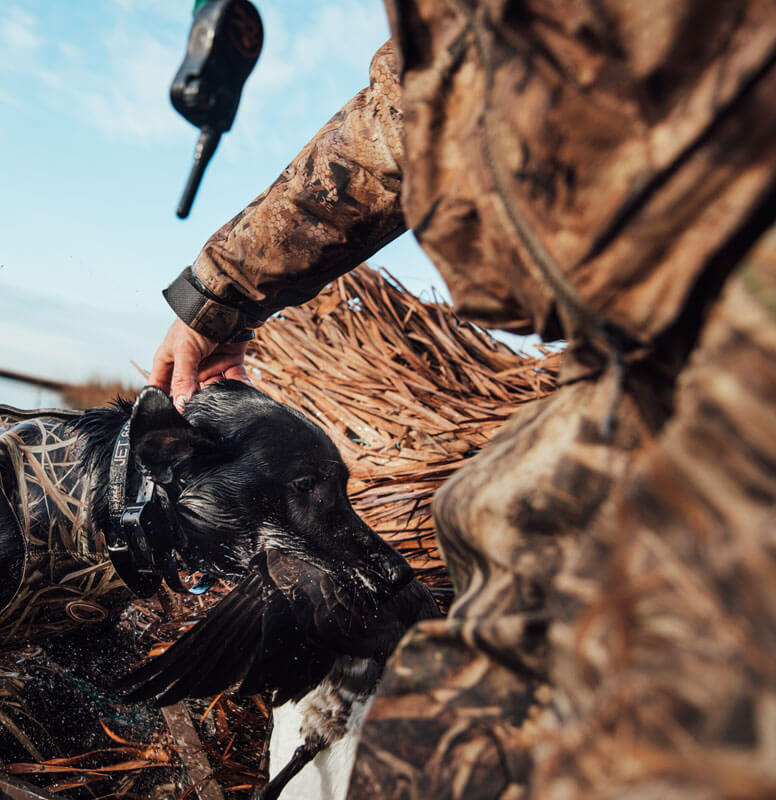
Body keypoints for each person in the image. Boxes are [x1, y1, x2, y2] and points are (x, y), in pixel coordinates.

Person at [149, 1, 776, 797]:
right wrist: (216, 294)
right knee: (496, 524)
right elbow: (406, 112)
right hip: (644, 339)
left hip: (742, 311)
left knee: (677, 690)